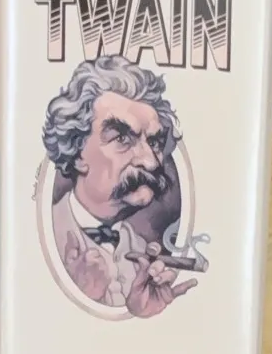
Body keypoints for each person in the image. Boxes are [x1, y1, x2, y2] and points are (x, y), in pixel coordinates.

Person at [42, 55, 195, 317]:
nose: (150, 161)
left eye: (154, 142)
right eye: (123, 139)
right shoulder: (46, 235)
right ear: (77, 152)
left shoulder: (144, 254)